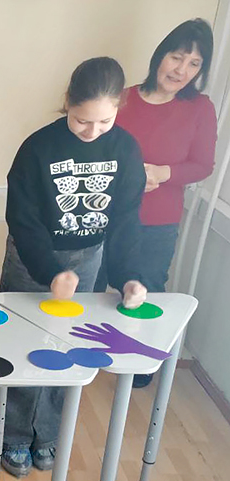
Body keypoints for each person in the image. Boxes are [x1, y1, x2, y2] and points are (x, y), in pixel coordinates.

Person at [0, 56, 148, 478]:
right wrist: (50, 271)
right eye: (83, 120)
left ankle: (47, 433)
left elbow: (125, 221)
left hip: (87, 258)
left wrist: (129, 277)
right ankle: (13, 435)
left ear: (118, 108)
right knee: (24, 345)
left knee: (65, 347)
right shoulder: (37, 148)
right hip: (32, 261)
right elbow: (23, 219)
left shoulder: (125, 150)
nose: (92, 131)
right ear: (68, 101)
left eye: (105, 122)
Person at [105, 18, 217, 387]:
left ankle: (138, 372)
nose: (182, 70)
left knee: (147, 290)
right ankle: (84, 362)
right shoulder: (123, 98)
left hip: (158, 221)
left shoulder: (200, 108)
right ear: (160, 56)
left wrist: (162, 173)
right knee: (91, 288)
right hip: (107, 216)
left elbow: (202, 165)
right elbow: (95, 149)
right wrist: (130, 175)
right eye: (177, 57)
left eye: (194, 63)